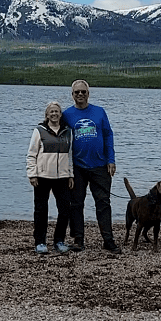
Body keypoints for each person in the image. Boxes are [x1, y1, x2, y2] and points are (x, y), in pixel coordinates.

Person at [63, 80, 121, 254]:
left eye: (83, 92)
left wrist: (111, 159)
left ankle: (108, 240)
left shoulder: (99, 112)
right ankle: (78, 240)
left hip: (100, 165)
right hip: (77, 167)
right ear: (72, 95)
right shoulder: (67, 115)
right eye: (77, 92)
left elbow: (108, 136)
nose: (80, 94)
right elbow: (60, 137)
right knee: (76, 204)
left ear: (88, 93)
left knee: (103, 203)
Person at [26, 101, 74, 255]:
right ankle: (40, 242)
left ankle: (59, 241)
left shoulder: (68, 132)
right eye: (51, 111)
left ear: (60, 114)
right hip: (42, 177)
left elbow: (70, 156)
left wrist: (71, 174)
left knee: (65, 210)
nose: (54, 114)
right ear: (47, 115)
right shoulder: (39, 131)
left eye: (56, 111)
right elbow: (31, 154)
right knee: (41, 210)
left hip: (62, 177)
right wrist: (32, 174)